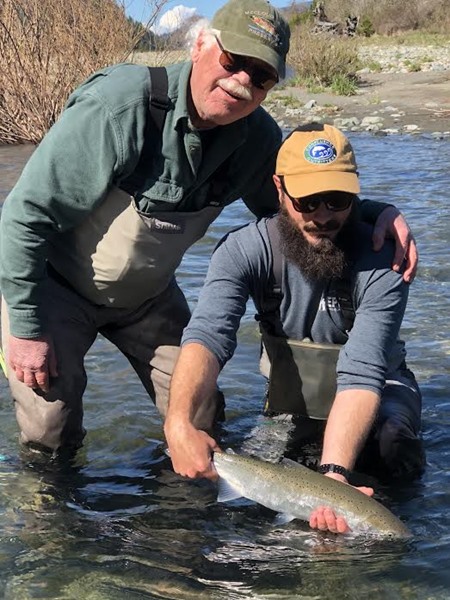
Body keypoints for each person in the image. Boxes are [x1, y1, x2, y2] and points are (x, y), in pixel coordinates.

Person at [0, 0, 416, 456]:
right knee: (49, 431)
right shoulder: (119, 107)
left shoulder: (256, 139)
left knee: (201, 417)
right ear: (200, 45)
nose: (242, 82)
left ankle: (179, 516)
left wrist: (375, 212)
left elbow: (297, 209)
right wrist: (26, 329)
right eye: (234, 62)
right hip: (54, 287)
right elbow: (24, 216)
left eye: (261, 77)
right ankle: (51, 521)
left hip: (147, 298)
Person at [164, 123, 425, 534]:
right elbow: (208, 337)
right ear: (279, 190)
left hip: (379, 391)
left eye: (337, 200)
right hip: (293, 400)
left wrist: (334, 475)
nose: (323, 215)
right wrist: (178, 424)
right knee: (225, 504)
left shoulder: (386, 260)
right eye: (307, 201)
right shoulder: (243, 250)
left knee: (396, 454)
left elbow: (363, 370)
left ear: (354, 193)